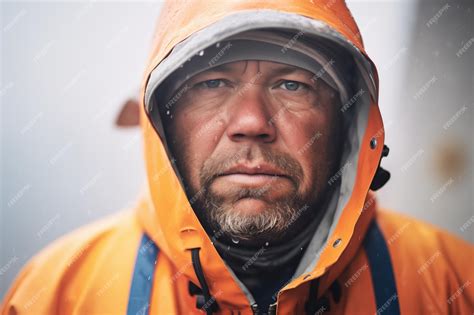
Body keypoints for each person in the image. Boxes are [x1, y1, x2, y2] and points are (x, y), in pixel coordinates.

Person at [2, 0, 473, 314]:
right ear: (163, 122)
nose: (251, 121)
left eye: (293, 84)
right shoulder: (57, 294)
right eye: (212, 83)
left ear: (346, 125)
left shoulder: (454, 284)